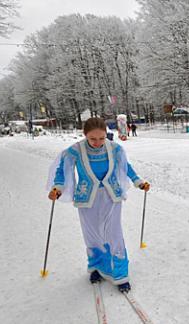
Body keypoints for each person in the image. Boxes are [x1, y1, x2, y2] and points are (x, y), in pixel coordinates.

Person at [47, 117, 150, 293]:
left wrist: (138, 182)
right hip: (87, 198)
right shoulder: (75, 151)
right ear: (84, 135)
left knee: (114, 233)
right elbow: (62, 171)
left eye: (101, 138)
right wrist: (57, 188)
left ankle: (120, 274)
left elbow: (127, 167)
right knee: (92, 233)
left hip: (112, 197)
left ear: (106, 135)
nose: (97, 142)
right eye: (92, 139)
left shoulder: (115, 149)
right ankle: (96, 267)